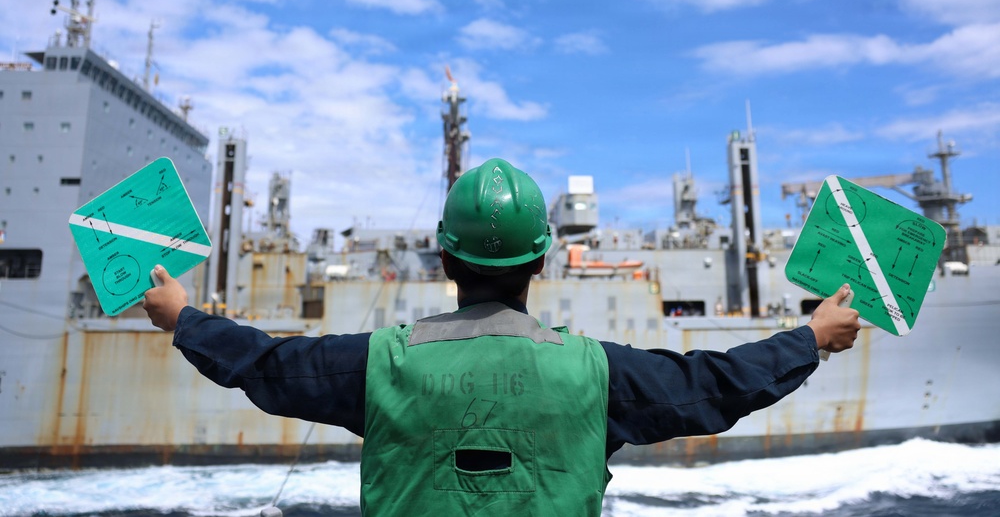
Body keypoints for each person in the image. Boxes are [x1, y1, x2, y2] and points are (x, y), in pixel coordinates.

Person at [144, 157, 860, 516]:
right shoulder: (595, 371)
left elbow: (267, 365)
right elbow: (714, 385)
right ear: (543, 261)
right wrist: (812, 336)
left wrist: (184, 317)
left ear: (444, 258)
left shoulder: (380, 362)